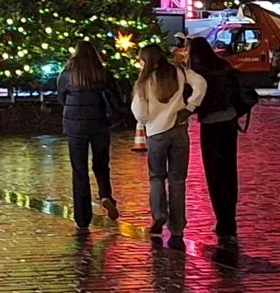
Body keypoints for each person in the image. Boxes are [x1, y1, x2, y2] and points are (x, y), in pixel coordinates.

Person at [130, 42, 207, 238]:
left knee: (156, 177)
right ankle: (178, 226)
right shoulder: (178, 72)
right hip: (179, 130)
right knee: (178, 180)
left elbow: (140, 112)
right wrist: (190, 107)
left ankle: (159, 214)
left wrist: (145, 120)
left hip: (156, 132)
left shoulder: (144, 81)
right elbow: (201, 84)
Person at [56, 41, 119, 230]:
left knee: (79, 170)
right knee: (101, 164)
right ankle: (106, 194)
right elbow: (115, 95)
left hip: (75, 126)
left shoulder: (67, 74)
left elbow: (61, 98)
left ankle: (82, 217)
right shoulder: (103, 74)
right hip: (99, 124)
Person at [188, 37, 242, 238]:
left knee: (214, 173)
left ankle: (223, 219)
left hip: (210, 124)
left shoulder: (198, 72)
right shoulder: (223, 65)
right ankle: (231, 218)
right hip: (230, 121)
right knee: (229, 170)